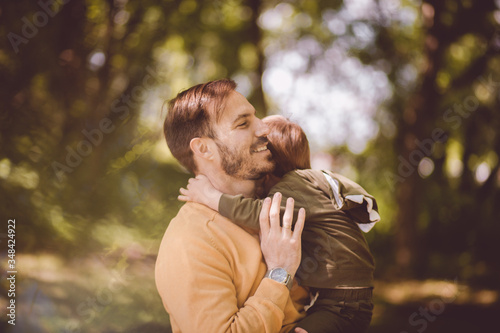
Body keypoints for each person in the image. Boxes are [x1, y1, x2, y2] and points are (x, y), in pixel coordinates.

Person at [179, 115, 380, 333]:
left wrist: (210, 196)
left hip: (341, 303)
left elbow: (260, 214)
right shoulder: (308, 182)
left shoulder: (292, 187)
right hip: (345, 297)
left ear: (269, 159)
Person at [155, 79, 311, 333]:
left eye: (256, 117)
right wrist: (280, 272)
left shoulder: (280, 203)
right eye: (243, 123)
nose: (264, 128)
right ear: (204, 148)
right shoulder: (190, 240)